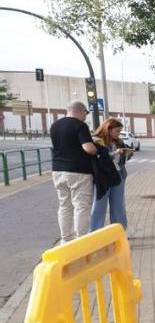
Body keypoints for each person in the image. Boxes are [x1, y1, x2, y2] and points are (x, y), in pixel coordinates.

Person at [49, 101, 98, 242]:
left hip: (58, 171)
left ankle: (65, 239)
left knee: (64, 206)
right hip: (78, 171)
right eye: (86, 113)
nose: (85, 116)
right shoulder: (80, 126)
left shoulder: (55, 126)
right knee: (81, 206)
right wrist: (96, 148)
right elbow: (88, 148)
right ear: (81, 111)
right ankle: (81, 240)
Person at [89, 117, 133, 234]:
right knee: (99, 205)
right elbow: (98, 158)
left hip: (118, 175)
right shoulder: (97, 140)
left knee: (118, 205)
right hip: (103, 177)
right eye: (117, 131)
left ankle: (118, 233)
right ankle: (95, 234)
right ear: (108, 129)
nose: (119, 134)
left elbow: (121, 160)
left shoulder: (118, 141)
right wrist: (114, 153)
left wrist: (127, 154)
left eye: (119, 131)